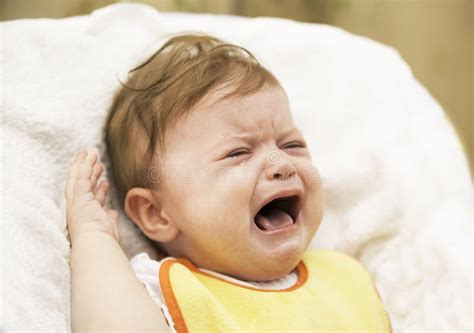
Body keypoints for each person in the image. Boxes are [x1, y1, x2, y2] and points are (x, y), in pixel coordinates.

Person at [65, 33, 391, 332]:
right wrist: (93, 236)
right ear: (156, 213)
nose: (281, 164)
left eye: (292, 145)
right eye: (238, 153)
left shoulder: (346, 277)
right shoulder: (169, 293)